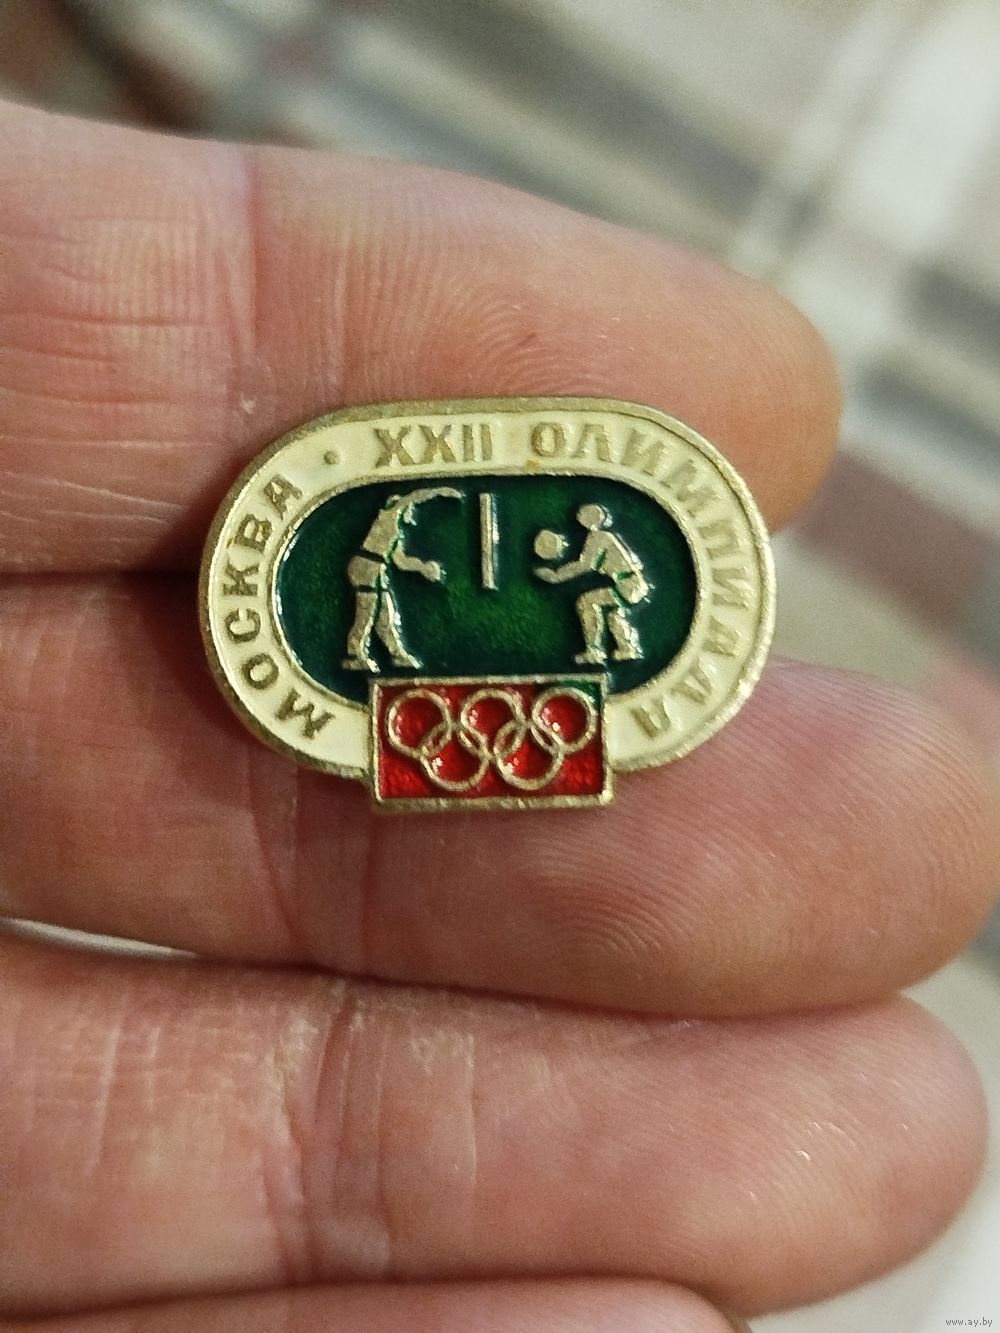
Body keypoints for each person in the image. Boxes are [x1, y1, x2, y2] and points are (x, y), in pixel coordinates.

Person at [1, 95, 998, 1333]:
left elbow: (557, 577)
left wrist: (511, 581)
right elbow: (411, 564)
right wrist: (450, 575)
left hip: (551, 638)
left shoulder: (589, 548)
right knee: (381, 637)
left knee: (443, 640)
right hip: (414, 631)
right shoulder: (389, 529)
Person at [342, 487, 461, 671]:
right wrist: (438, 492)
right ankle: (354, 655)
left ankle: (396, 654)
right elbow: (411, 497)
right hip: (366, 566)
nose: (411, 513)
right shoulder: (388, 516)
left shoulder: (395, 534)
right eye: (410, 508)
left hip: (376, 569)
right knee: (367, 611)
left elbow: (401, 562)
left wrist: (423, 568)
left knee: (385, 612)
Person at [534, 503, 649, 663]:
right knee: (613, 615)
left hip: (628, 585)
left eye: (582, 514)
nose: (578, 516)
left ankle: (594, 652)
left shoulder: (598, 537)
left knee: (586, 602)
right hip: (634, 583)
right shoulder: (605, 536)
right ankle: (627, 649)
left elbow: (585, 564)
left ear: (588, 519)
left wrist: (556, 575)